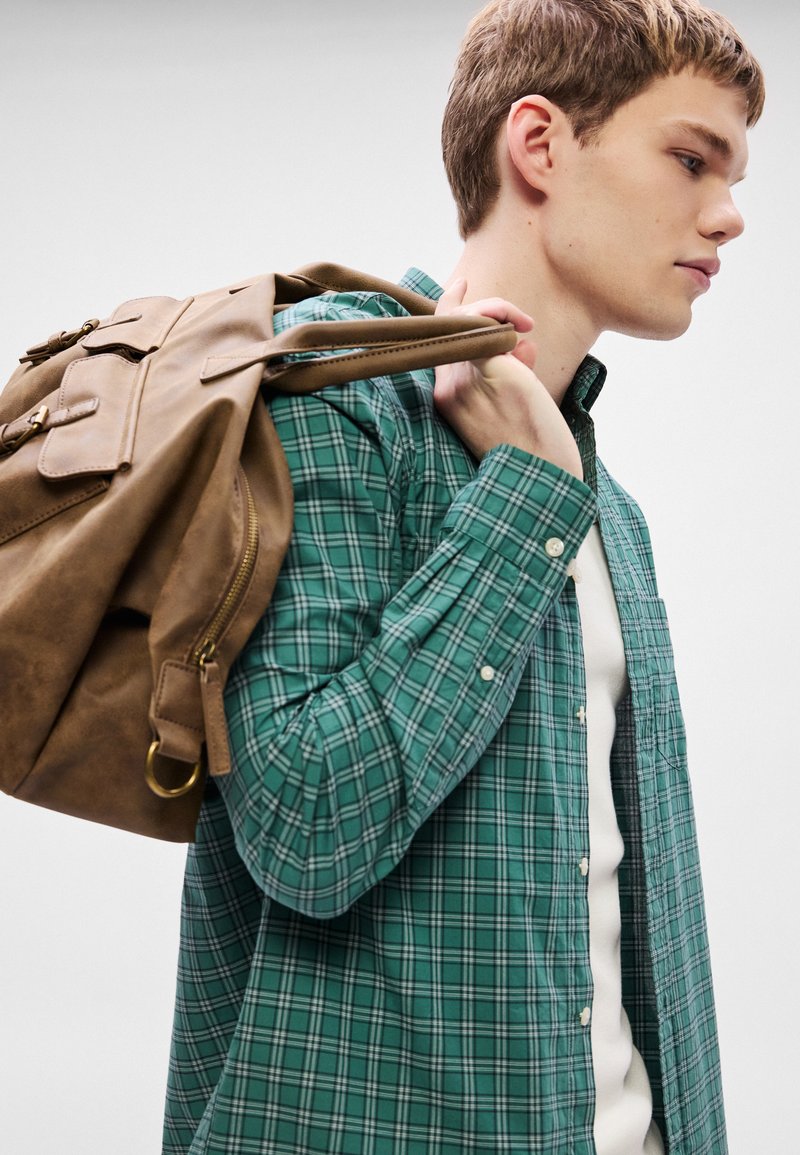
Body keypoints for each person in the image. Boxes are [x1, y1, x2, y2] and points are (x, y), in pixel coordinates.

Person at [162, 1, 764, 1151]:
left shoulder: (609, 512)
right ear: (537, 145)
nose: (728, 215)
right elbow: (306, 827)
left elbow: (642, 925)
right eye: (690, 158)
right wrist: (522, 505)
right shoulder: (326, 401)